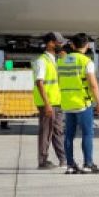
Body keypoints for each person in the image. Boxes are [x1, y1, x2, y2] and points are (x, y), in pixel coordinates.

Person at [58, 33, 99, 174]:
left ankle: (71, 166)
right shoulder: (86, 61)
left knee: (68, 135)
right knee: (87, 134)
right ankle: (88, 164)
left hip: (67, 102)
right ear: (87, 45)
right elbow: (93, 85)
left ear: (72, 45)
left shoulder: (61, 61)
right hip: (82, 102)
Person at [33, 33, 66, 169]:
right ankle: (42, 160)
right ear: (50, 43)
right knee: (46, 132)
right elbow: (39, 83)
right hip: (48, 103)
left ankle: (63, 159)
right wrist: (47, 104)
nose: (61, 45)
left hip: (57, 102)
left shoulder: (55, 60)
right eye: (59, 43)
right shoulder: (42, 61)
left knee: (57, 131)